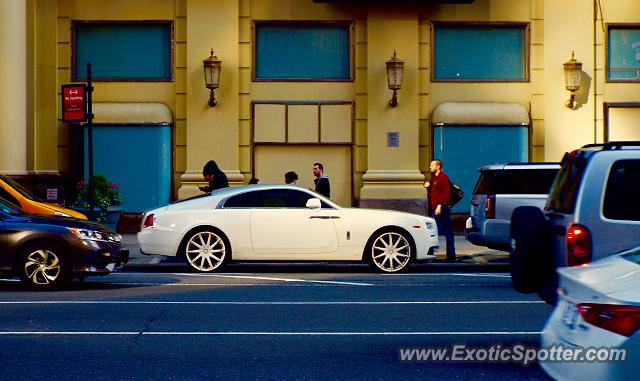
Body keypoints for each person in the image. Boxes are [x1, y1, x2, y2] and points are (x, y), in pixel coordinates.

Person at [424, 159, 456, 261]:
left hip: (441, 209)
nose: (430, 167)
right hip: (440, 209)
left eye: (432, 165)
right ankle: (451, 255)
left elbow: (446, 194)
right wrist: (428, 187)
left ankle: (430, 253)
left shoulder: (443, 178)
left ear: (438, 166)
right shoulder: (435, 178)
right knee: (447, 232)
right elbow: (435, 192)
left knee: (433, 231)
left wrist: (439, 206)